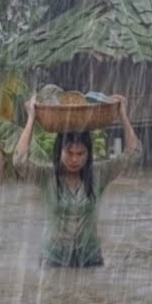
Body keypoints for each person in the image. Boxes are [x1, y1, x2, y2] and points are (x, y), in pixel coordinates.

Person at [12, 93, 140, 267]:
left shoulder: (99, 174)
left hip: (89, 258)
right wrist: (31, 119)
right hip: (54, 258)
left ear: (88, 155)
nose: (74, 160)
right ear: (60, 153)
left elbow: (133, 154)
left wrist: (123, 115)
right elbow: (19, 161)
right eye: (69, 153)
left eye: (80, 154)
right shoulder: (46, 176)